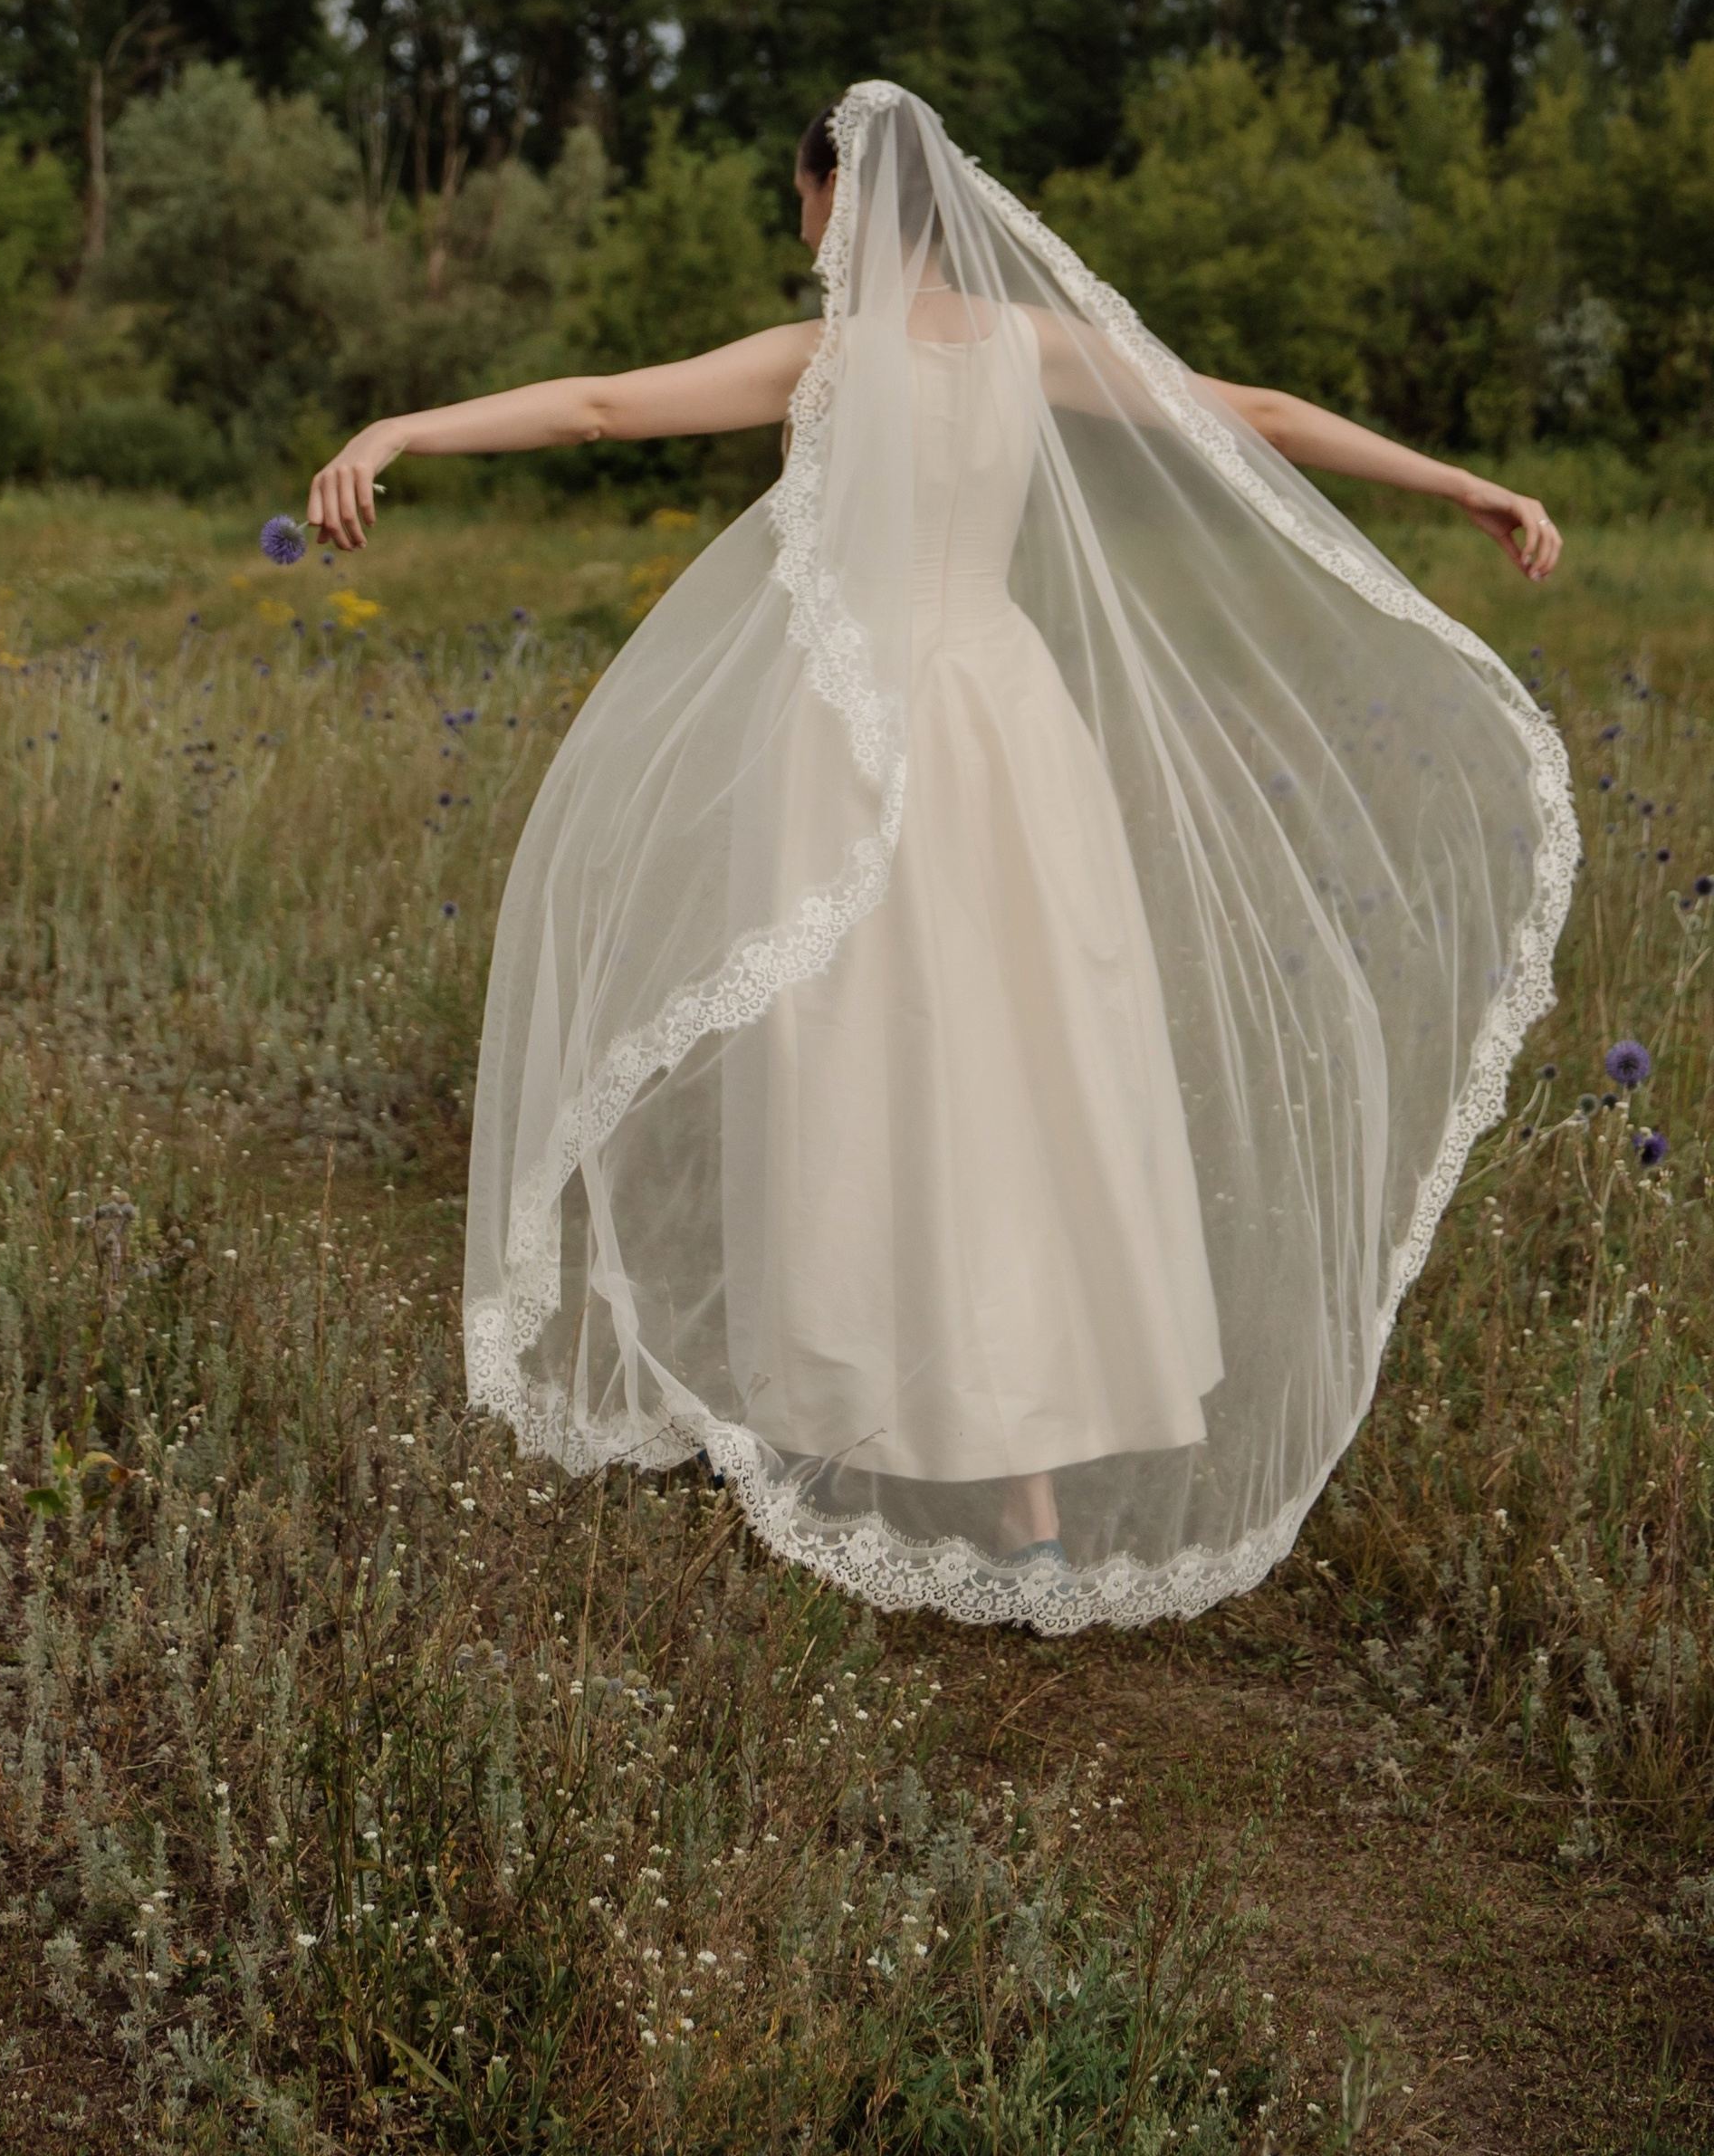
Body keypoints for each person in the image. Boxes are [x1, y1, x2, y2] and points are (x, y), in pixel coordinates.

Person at [308, 83, 1576, 1631]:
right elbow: (1259, 419)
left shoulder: (824, 359)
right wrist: (1461, 485)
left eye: (802, 203)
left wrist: (397, 428)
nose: (803, 231)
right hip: (1009, 734)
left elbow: (591, 407)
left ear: (832, 200)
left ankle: (836, 1420)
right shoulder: (1031, 347)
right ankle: (1014, 1488)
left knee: (852, 1071)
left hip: (851, 748)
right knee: (1016, 1081)